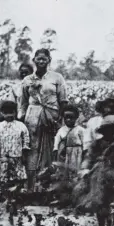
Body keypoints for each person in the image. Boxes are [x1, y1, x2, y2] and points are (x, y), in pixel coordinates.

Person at [74, 115, 114, 226]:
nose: (113, 134)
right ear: (104, 132)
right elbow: (89, 157)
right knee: (100, 201)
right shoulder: (96, 144)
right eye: (110, 131)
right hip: (99, 177)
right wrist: (85, 169)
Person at [19, 49, 68, 191]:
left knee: (51, 149)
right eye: (38, 59)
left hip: (52, 118)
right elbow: (22, 103)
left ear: (49, 60)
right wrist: (21, 120)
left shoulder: (57, 78)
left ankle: (49, 187)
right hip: (32, 119)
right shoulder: (27, 80)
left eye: (44, 59)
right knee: (32, 151)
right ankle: (32, 187)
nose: (41, 62)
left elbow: (63, 100)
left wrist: (60, 119)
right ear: (34, 60)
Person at [0, 101, 30, 222]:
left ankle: (15, 198)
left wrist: (24, 151)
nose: (9, 115)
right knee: (4, 179)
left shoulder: (20, 126)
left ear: (15, 112)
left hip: (16, 156)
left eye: (11, 112)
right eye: (6, 113)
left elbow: (26, 139)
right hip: (3, 157)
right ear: (2, 113)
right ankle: (7, 198)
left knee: (18, 178)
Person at [53, 104, 85, 179]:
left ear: (76, 118)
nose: (68, 120)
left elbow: (85, 143)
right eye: (66, 118)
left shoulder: (80, 130)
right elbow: (56, 141)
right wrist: (56, 150)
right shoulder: (61, 130)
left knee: (76, 170)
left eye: (71, 118)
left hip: (77, 153)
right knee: (64, 171)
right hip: (65, 153)